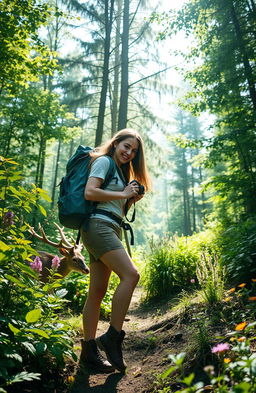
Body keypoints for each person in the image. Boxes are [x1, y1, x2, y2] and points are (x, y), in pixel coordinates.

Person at [79, 128, 151, 374]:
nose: (129, 153)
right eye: (126, 146)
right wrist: (122, 192)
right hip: (100, 227)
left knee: (97, 292)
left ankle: (89, 353)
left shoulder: (119, 171)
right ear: (116, 142)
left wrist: (130, 198)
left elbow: (110, 201)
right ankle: (113, 337)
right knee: (131, 275)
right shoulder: (103, 161)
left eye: (134, 151)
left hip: (105, 227)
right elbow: (90, 192)